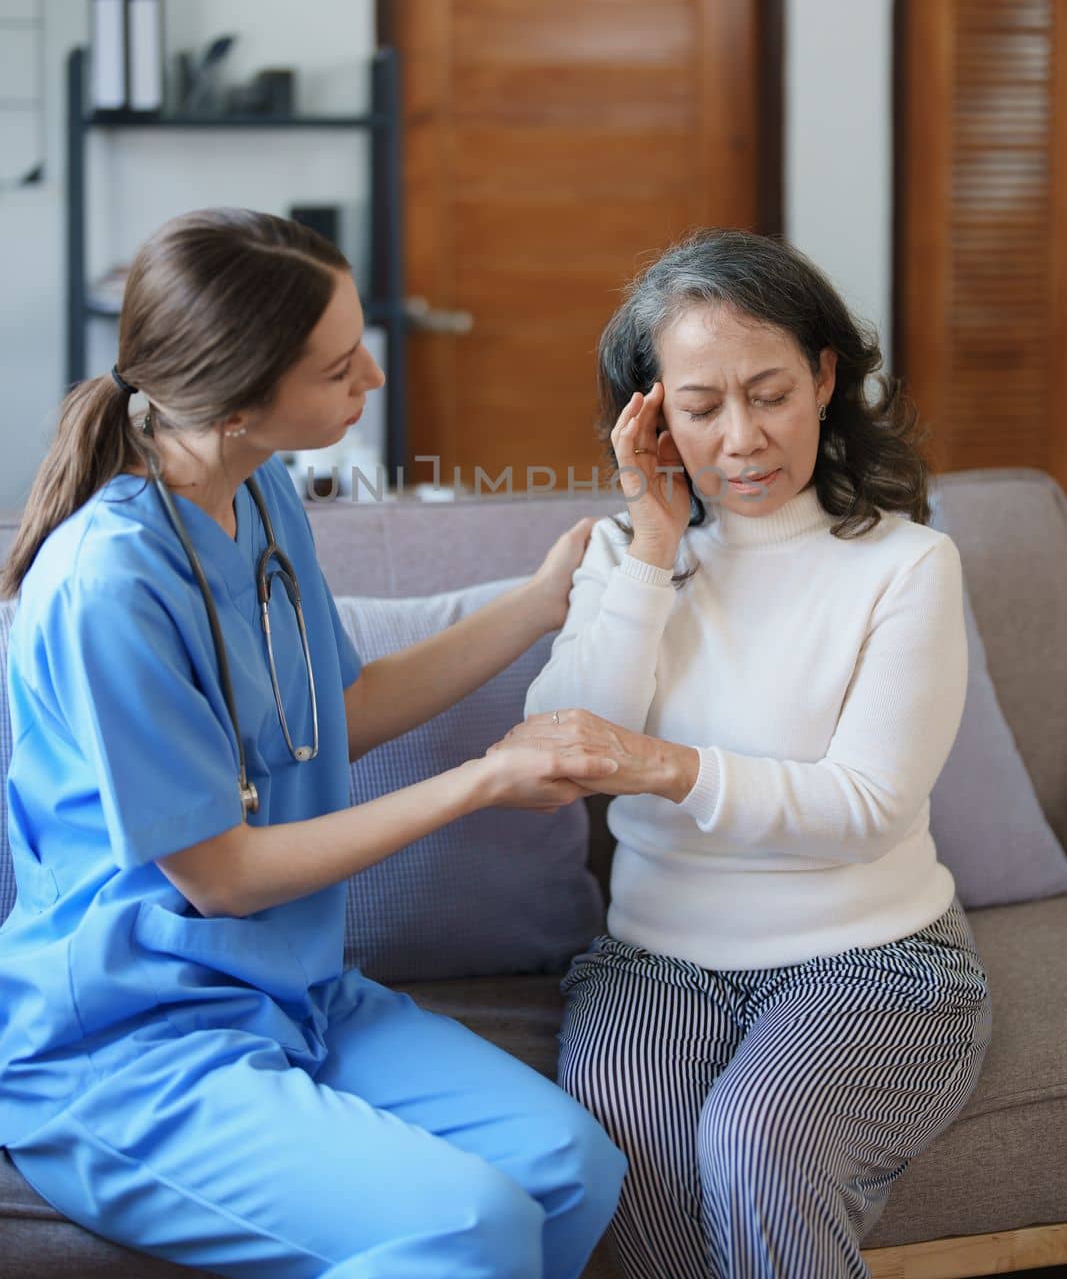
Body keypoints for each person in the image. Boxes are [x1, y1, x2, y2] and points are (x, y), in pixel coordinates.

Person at [0, 207, 627, 1279]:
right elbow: (223, 877)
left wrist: (536, 606)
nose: (375, 377)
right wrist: (478, 783)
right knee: (464, 1224)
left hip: (296, 997)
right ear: (240, 398)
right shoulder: (108, 585)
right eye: (340, 366)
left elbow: (341, 706)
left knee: (571, 1167)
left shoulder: (261, 490)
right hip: (129, 1046)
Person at [495, 228, 993, 1279]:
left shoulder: (905, 565)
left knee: (755, 1139)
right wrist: (652, 546)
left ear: (822, 379)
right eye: (700, 405)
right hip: (654, 959)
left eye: (767, 394)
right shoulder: (622, 559)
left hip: (873, 961)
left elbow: (864, 805)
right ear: (651, 416)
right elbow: (559, 744)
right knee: (616, 1145)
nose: (740, 440)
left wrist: (663, 767)